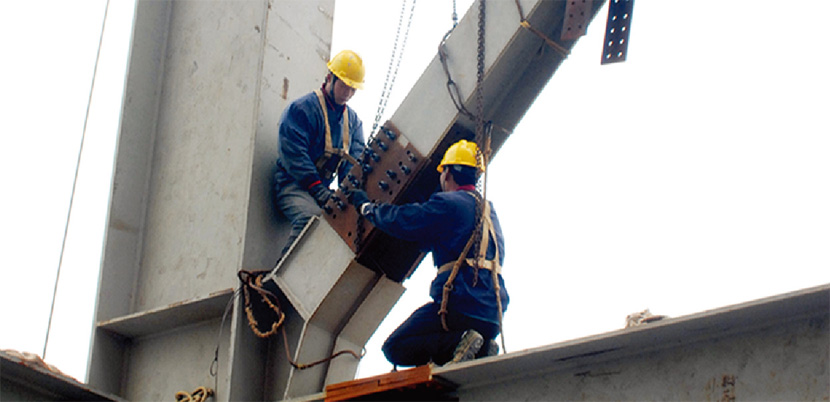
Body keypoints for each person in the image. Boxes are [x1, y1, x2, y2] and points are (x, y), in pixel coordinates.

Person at [348, 139, 509, 367]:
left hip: (460, 308)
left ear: (447, 173)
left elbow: (403, 220)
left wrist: (367, 208)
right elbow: (435, 240)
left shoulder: (448, 203)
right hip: (493, 316)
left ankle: (459, 341)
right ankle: (482, 347)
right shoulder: (489, 211)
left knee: (395, 347)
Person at [273, 50, 366, 257]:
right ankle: (277, 275)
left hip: (322, 191)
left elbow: (354, 166)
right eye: (344, 86)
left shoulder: (353, 123)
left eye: (352, 89)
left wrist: (349, 197)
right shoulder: (302, 110)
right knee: (310, 221)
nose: (347, 93)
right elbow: (294, 156)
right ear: (330, 78)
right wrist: (318, 190)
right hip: (292, 185)